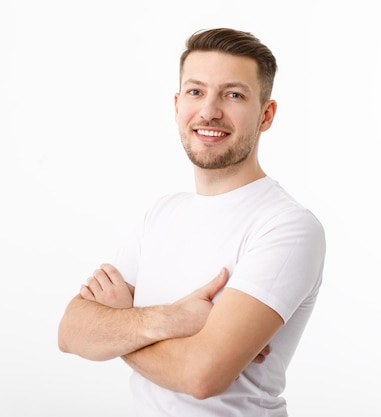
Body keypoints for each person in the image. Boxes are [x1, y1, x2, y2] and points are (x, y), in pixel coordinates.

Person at [57, 27, 326, 417]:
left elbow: (201, 375)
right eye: (196, 91)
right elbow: (71, 332)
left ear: (266, 115)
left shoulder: (287, 226)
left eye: (233, 94)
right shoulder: (162, 213)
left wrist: (118, 326)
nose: (209, 111)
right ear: (177, 103)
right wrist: (172, 320)